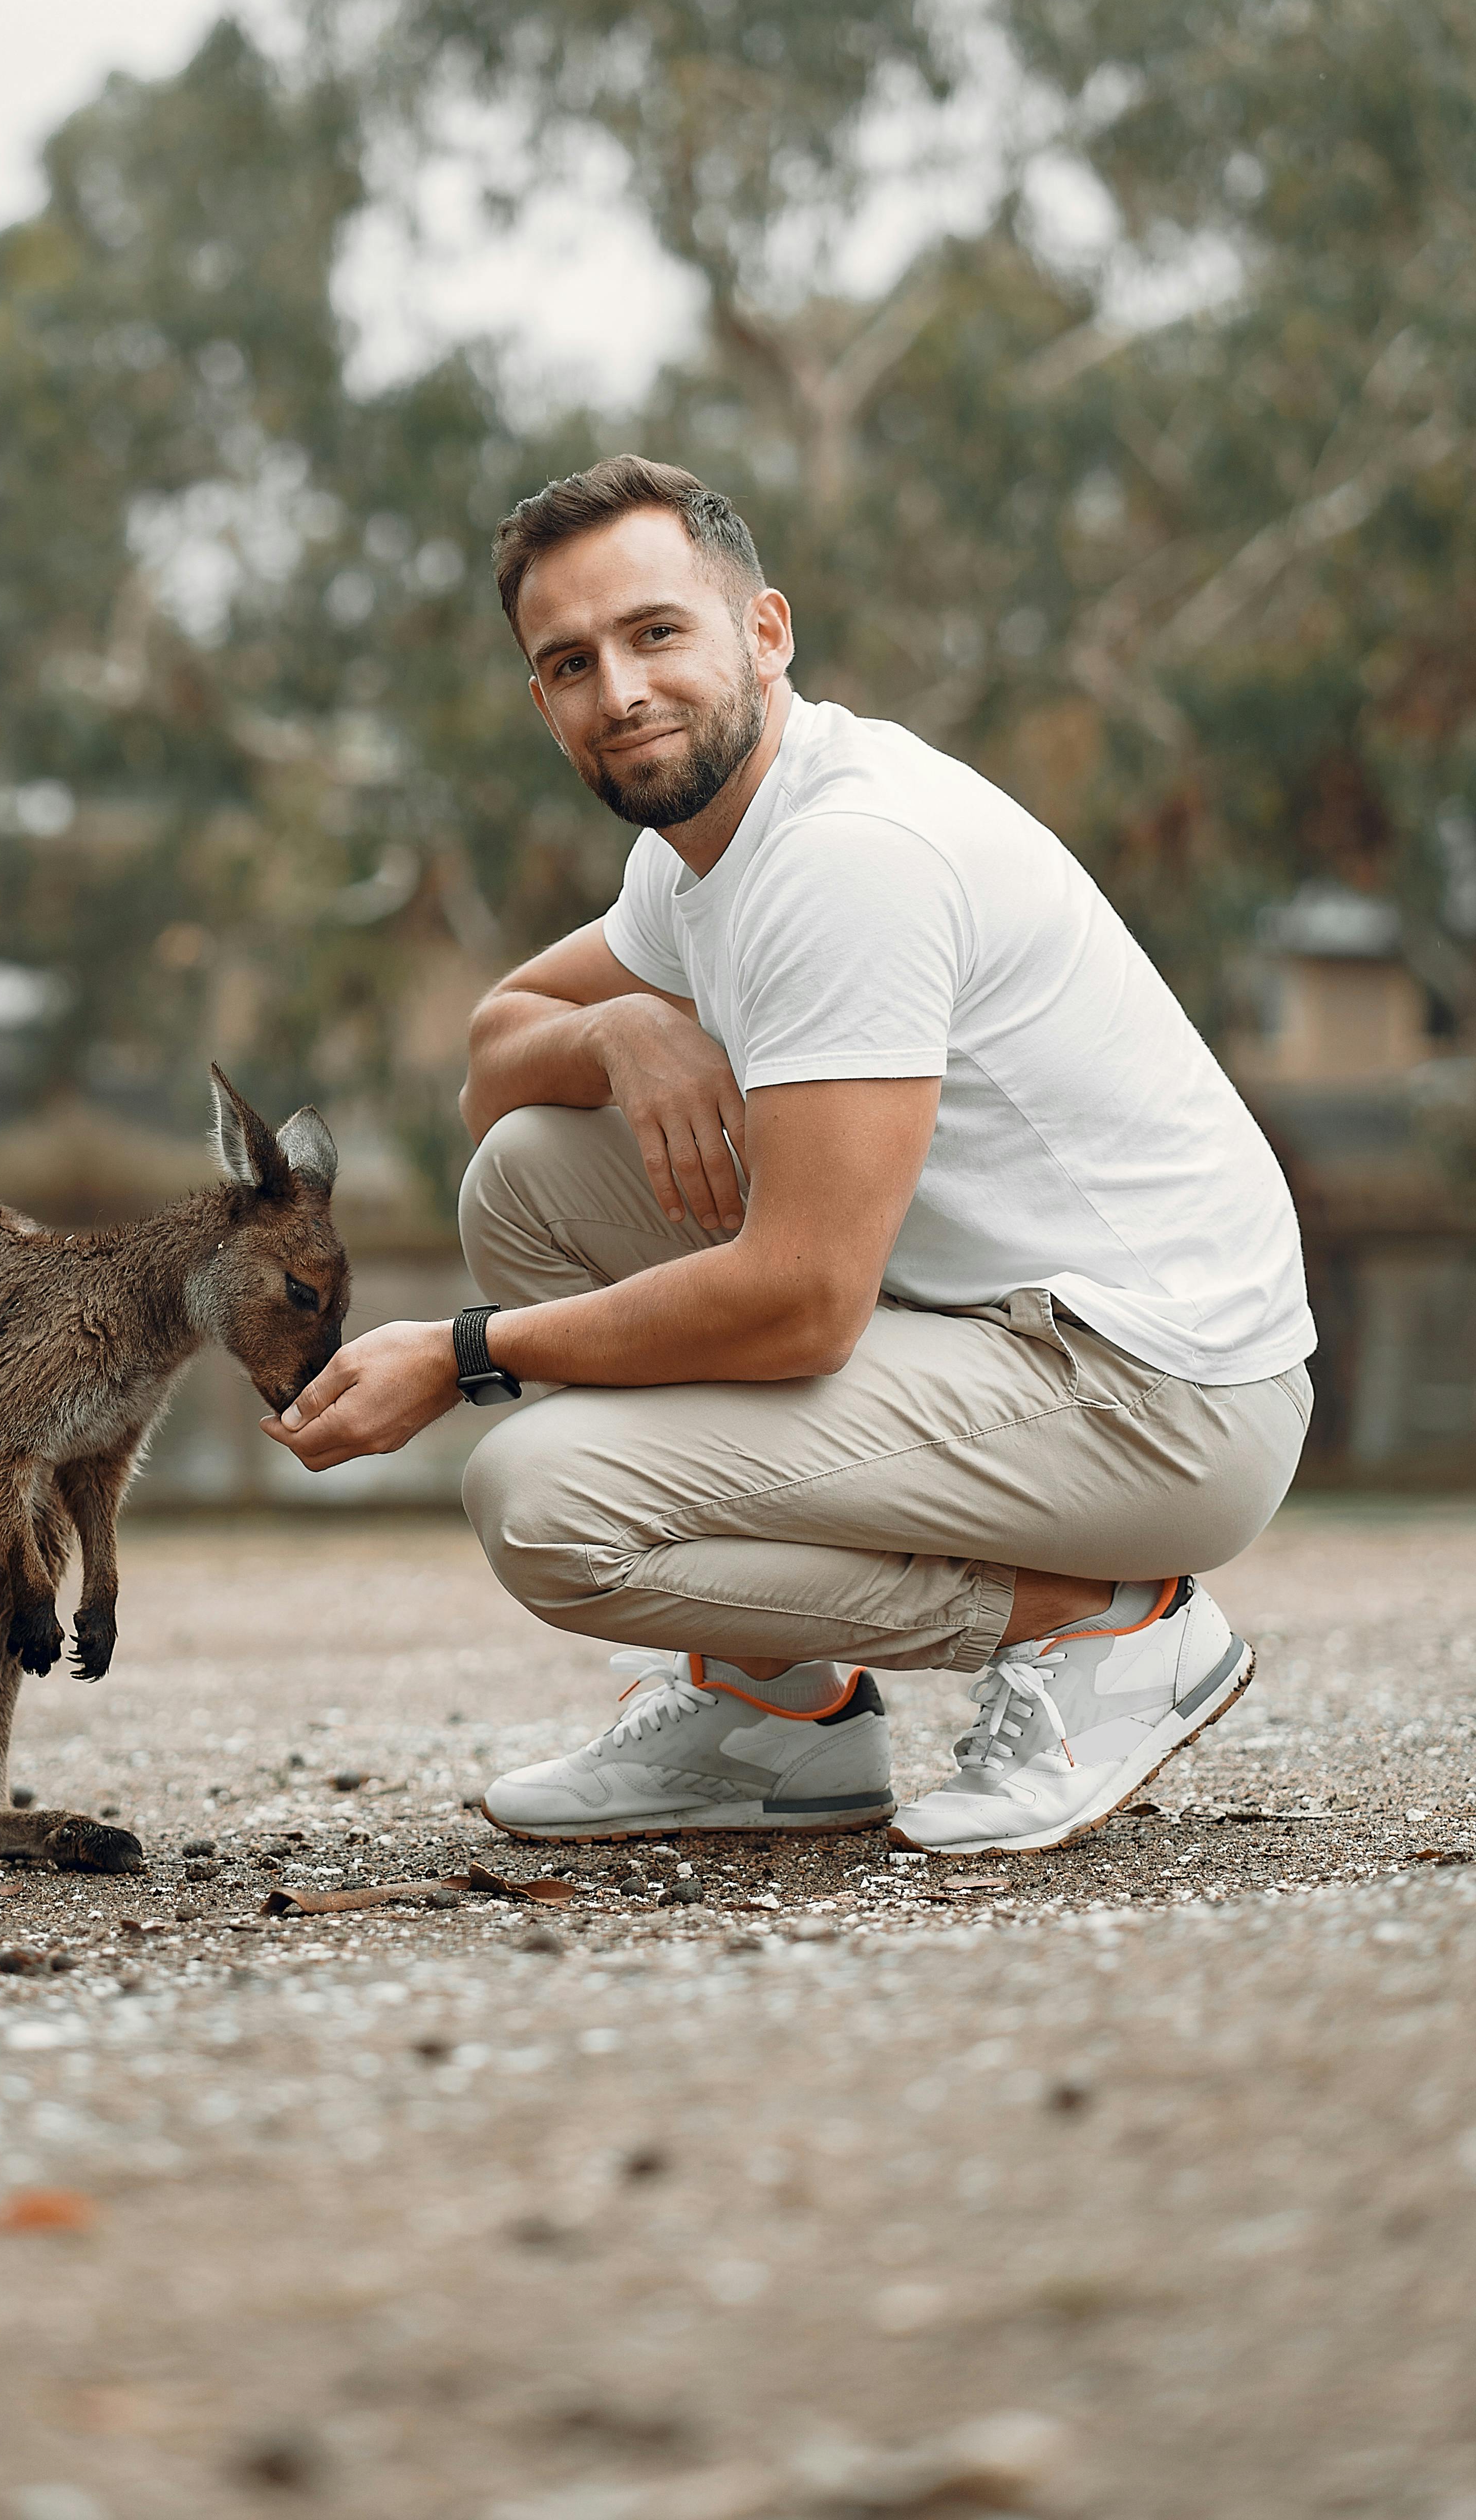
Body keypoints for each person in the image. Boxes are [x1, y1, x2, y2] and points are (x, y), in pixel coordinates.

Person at [261, 456, 1314, 1858]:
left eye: (655, 635)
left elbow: (804, 1303)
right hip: (988, 1330)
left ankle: (1113, 1628)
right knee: (527, 1171)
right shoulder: (704, 850)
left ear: (764, 633)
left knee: (546, 1500)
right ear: (541, 701)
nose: (620, 692)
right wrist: (630, 1030)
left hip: (1155, 1391)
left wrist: (461, 1354)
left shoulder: (847, 855)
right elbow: (496, 1050)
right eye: (571, 663)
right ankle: (776, 1714)